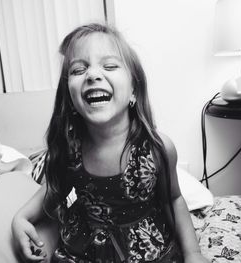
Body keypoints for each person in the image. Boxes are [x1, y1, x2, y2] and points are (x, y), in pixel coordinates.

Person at [11, 23, 209, 263]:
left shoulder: (157, 148)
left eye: (110, 66)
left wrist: (193, 253)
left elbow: (174, 199)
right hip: (83, 250)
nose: (92, 75)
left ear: (134, 89)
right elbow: (53, 189)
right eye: (78, 70)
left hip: (147, 250)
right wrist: (20, 218)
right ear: (70, 98)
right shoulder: (70, 149)